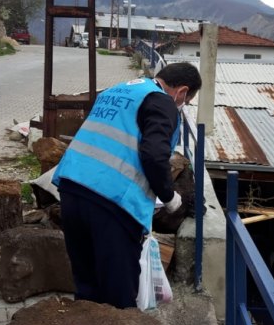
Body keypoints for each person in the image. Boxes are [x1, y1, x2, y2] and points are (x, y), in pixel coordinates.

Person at [52, 62, 202, 309]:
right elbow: (154, 156)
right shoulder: (163, 102)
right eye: (187, 100)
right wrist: (169, 196)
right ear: (182, 92)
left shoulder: (118, 90)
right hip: (110, 202)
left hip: (71, 187)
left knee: (86, 281)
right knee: (118, 290)